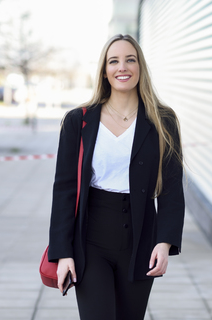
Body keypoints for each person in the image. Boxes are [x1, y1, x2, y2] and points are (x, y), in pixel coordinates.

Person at [47, 34, 185, 320]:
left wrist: (165, 240)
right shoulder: (79, 120)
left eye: (130, 59)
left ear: (140, 67)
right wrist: (63, 253)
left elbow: (172, 188)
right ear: (105, 71)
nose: (122, 67)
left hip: (140, 243)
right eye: (114, 61)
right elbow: (64, 190)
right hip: (90, 243)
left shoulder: (162, 120)